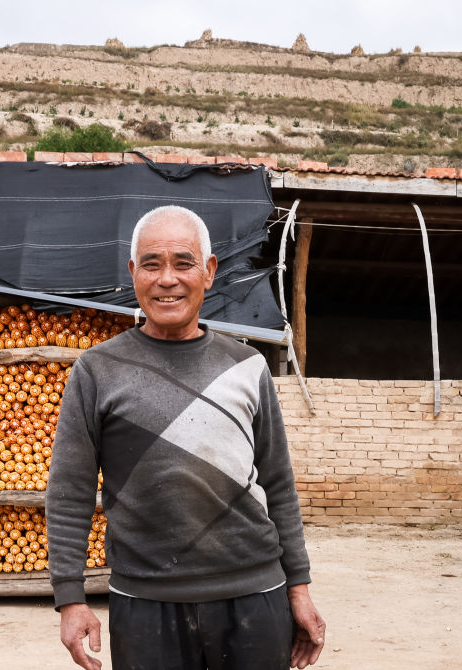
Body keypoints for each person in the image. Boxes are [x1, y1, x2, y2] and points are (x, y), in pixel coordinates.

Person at [46, 205, 325, 670]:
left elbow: (278, 484)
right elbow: (70, 490)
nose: (167, 278)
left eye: (183, 262)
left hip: (255, 595)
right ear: (133, 273)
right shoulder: (96, 370)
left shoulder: (247, 366)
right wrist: (70, 598)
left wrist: (299, 588)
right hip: (144, 601)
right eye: (152, 264)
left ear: (210, 271)